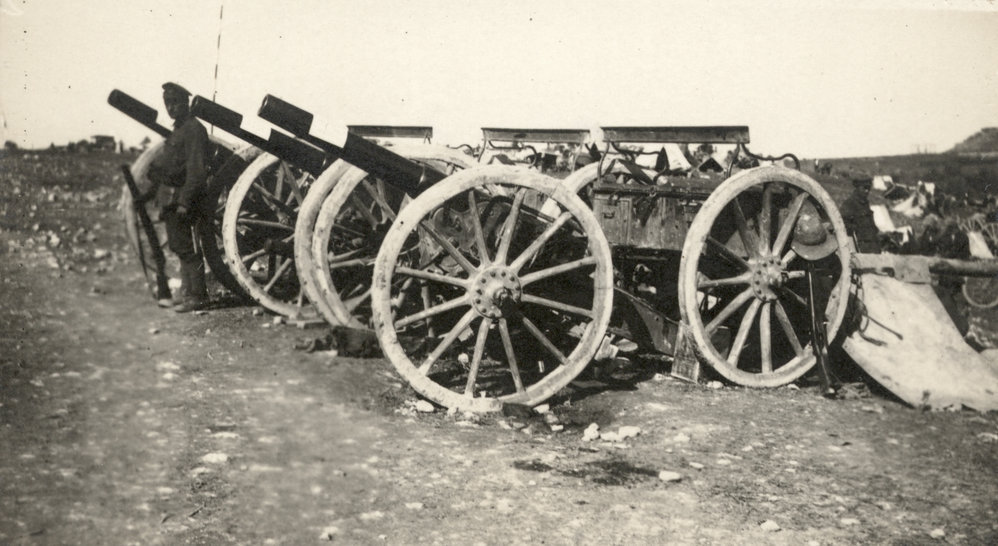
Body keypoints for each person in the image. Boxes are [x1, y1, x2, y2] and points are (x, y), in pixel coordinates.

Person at [147, 82, 210, 313]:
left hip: (183, 199)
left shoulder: (193, 129)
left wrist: (186, 201)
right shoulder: (180, 129)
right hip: (171, 199)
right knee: (178, 246)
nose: (171, 108)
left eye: (175, 103)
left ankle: (198, 296)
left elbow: (197, 170)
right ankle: (187, 294)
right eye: (168, 103)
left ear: (186, 103)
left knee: (188, 248)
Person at [839, 177, 881, 253]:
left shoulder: (865, 203)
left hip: (873, 243)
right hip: (860, 245)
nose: (867, 191)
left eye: (869, 189)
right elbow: (842, 223)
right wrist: (857, 228)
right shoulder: (849, 203)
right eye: (864, 188)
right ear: (857, 188)